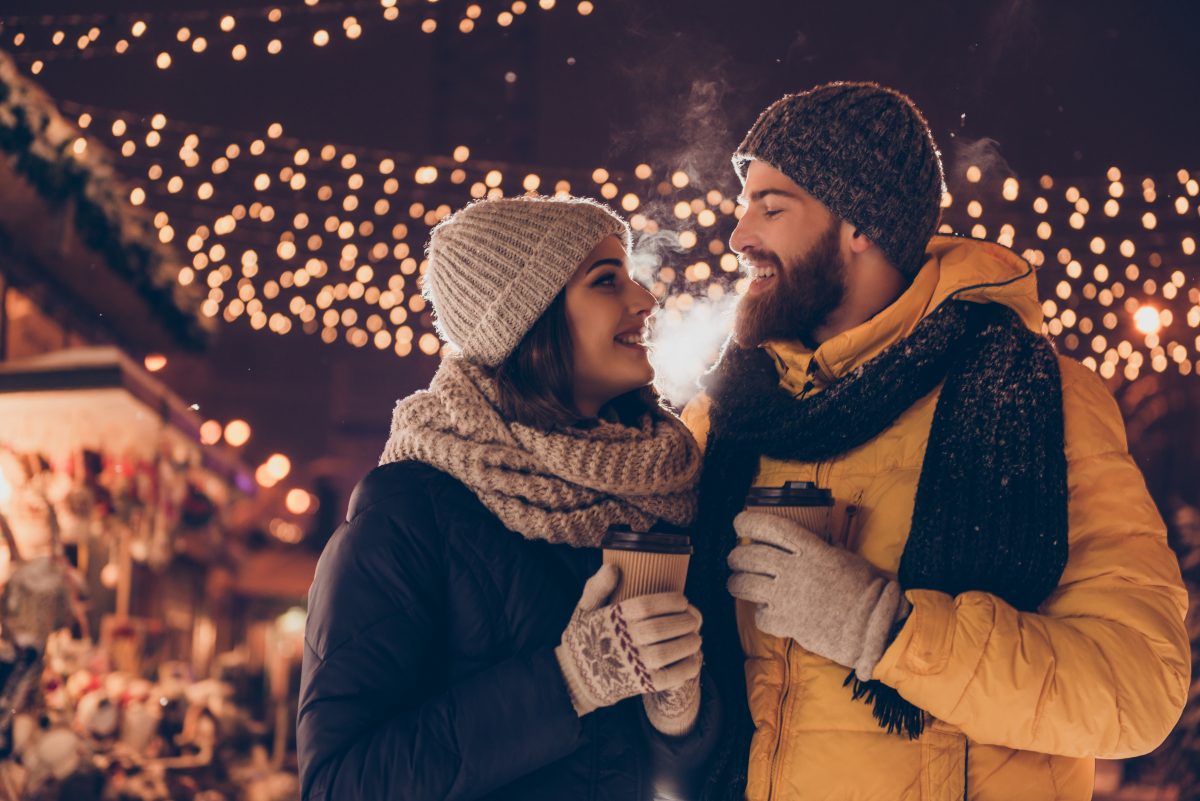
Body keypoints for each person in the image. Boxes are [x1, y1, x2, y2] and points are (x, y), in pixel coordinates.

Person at [683, 81, 1190, 800]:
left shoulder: (1036, 397)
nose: (739, 237)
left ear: (859, 223)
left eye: (772, 206)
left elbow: (1138, 689)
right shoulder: (729, 413)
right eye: (743, 206)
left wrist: (885, 629)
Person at [297, 196, 719, 801]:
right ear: (528, 320)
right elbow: (340, 784)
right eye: (607, 282)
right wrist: (566, 681)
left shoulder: (662, 492)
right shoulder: (411, 510)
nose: (645, 300)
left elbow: (672, 779)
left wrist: (679, 722)